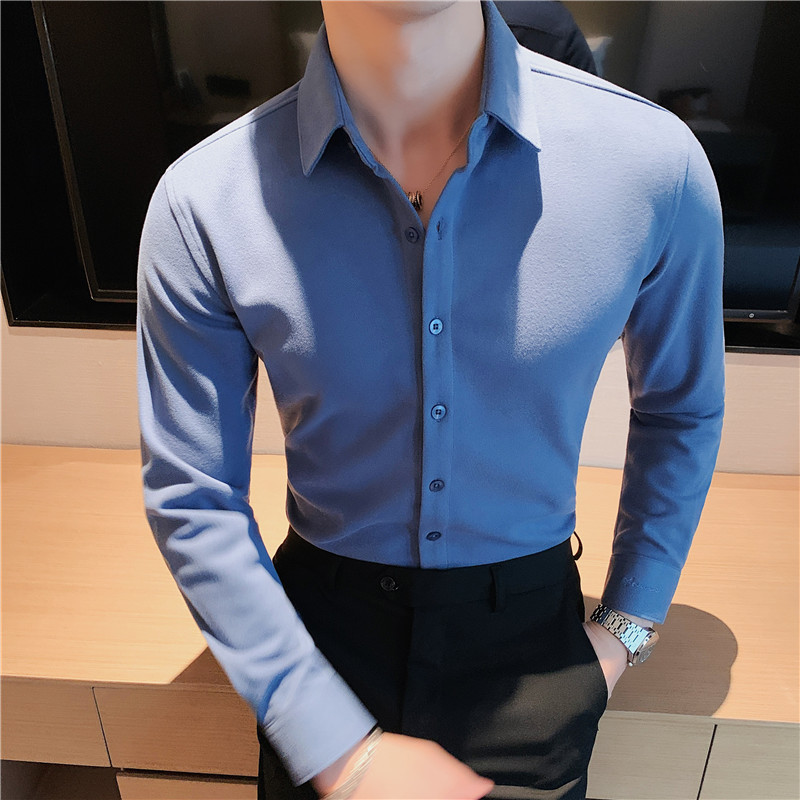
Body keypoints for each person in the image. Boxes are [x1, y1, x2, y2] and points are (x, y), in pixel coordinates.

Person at [136, 2, 725, 799]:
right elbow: (192, 490)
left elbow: (680, 408)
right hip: (318, 648)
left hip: (537, 649)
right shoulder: (204, 199)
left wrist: (624, 629)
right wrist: (333, 746)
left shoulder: (652, 165)